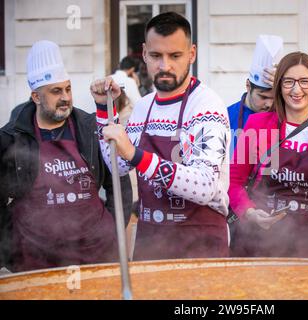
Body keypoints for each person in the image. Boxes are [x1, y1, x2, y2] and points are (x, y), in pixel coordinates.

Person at [90, 12, 230, 260]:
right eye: (156, 56)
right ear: (144, 53)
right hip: (151, 240)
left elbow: (205, 186)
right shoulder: (143, 107)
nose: (165, 66)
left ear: (192, 54)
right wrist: (104, 109)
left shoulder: (206, 106)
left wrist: (136, 155)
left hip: (200, 244)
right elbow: (117, 165)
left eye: (175, 56)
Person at [0, 40, 132, 272]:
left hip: (97, 254)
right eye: (56, 91)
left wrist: (112, 228)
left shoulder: (90, 127)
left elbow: (118, 180)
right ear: (36, 97)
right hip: (36, 259)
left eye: (68, 89)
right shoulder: (11, 138)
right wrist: (8, 249)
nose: (65, 98)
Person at [228, 51, 308, 258]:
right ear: (279, 87)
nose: (296, 89)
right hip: (260, 243)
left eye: (304, 81)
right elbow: (234, 182)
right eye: (288, 82)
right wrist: (250, 213)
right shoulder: (256, 125)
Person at [227, 35, 283, 154]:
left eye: (275, 98)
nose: (270, 104)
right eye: (263, 97)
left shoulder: (285, 117)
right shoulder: (226, 117)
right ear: (248, 85)